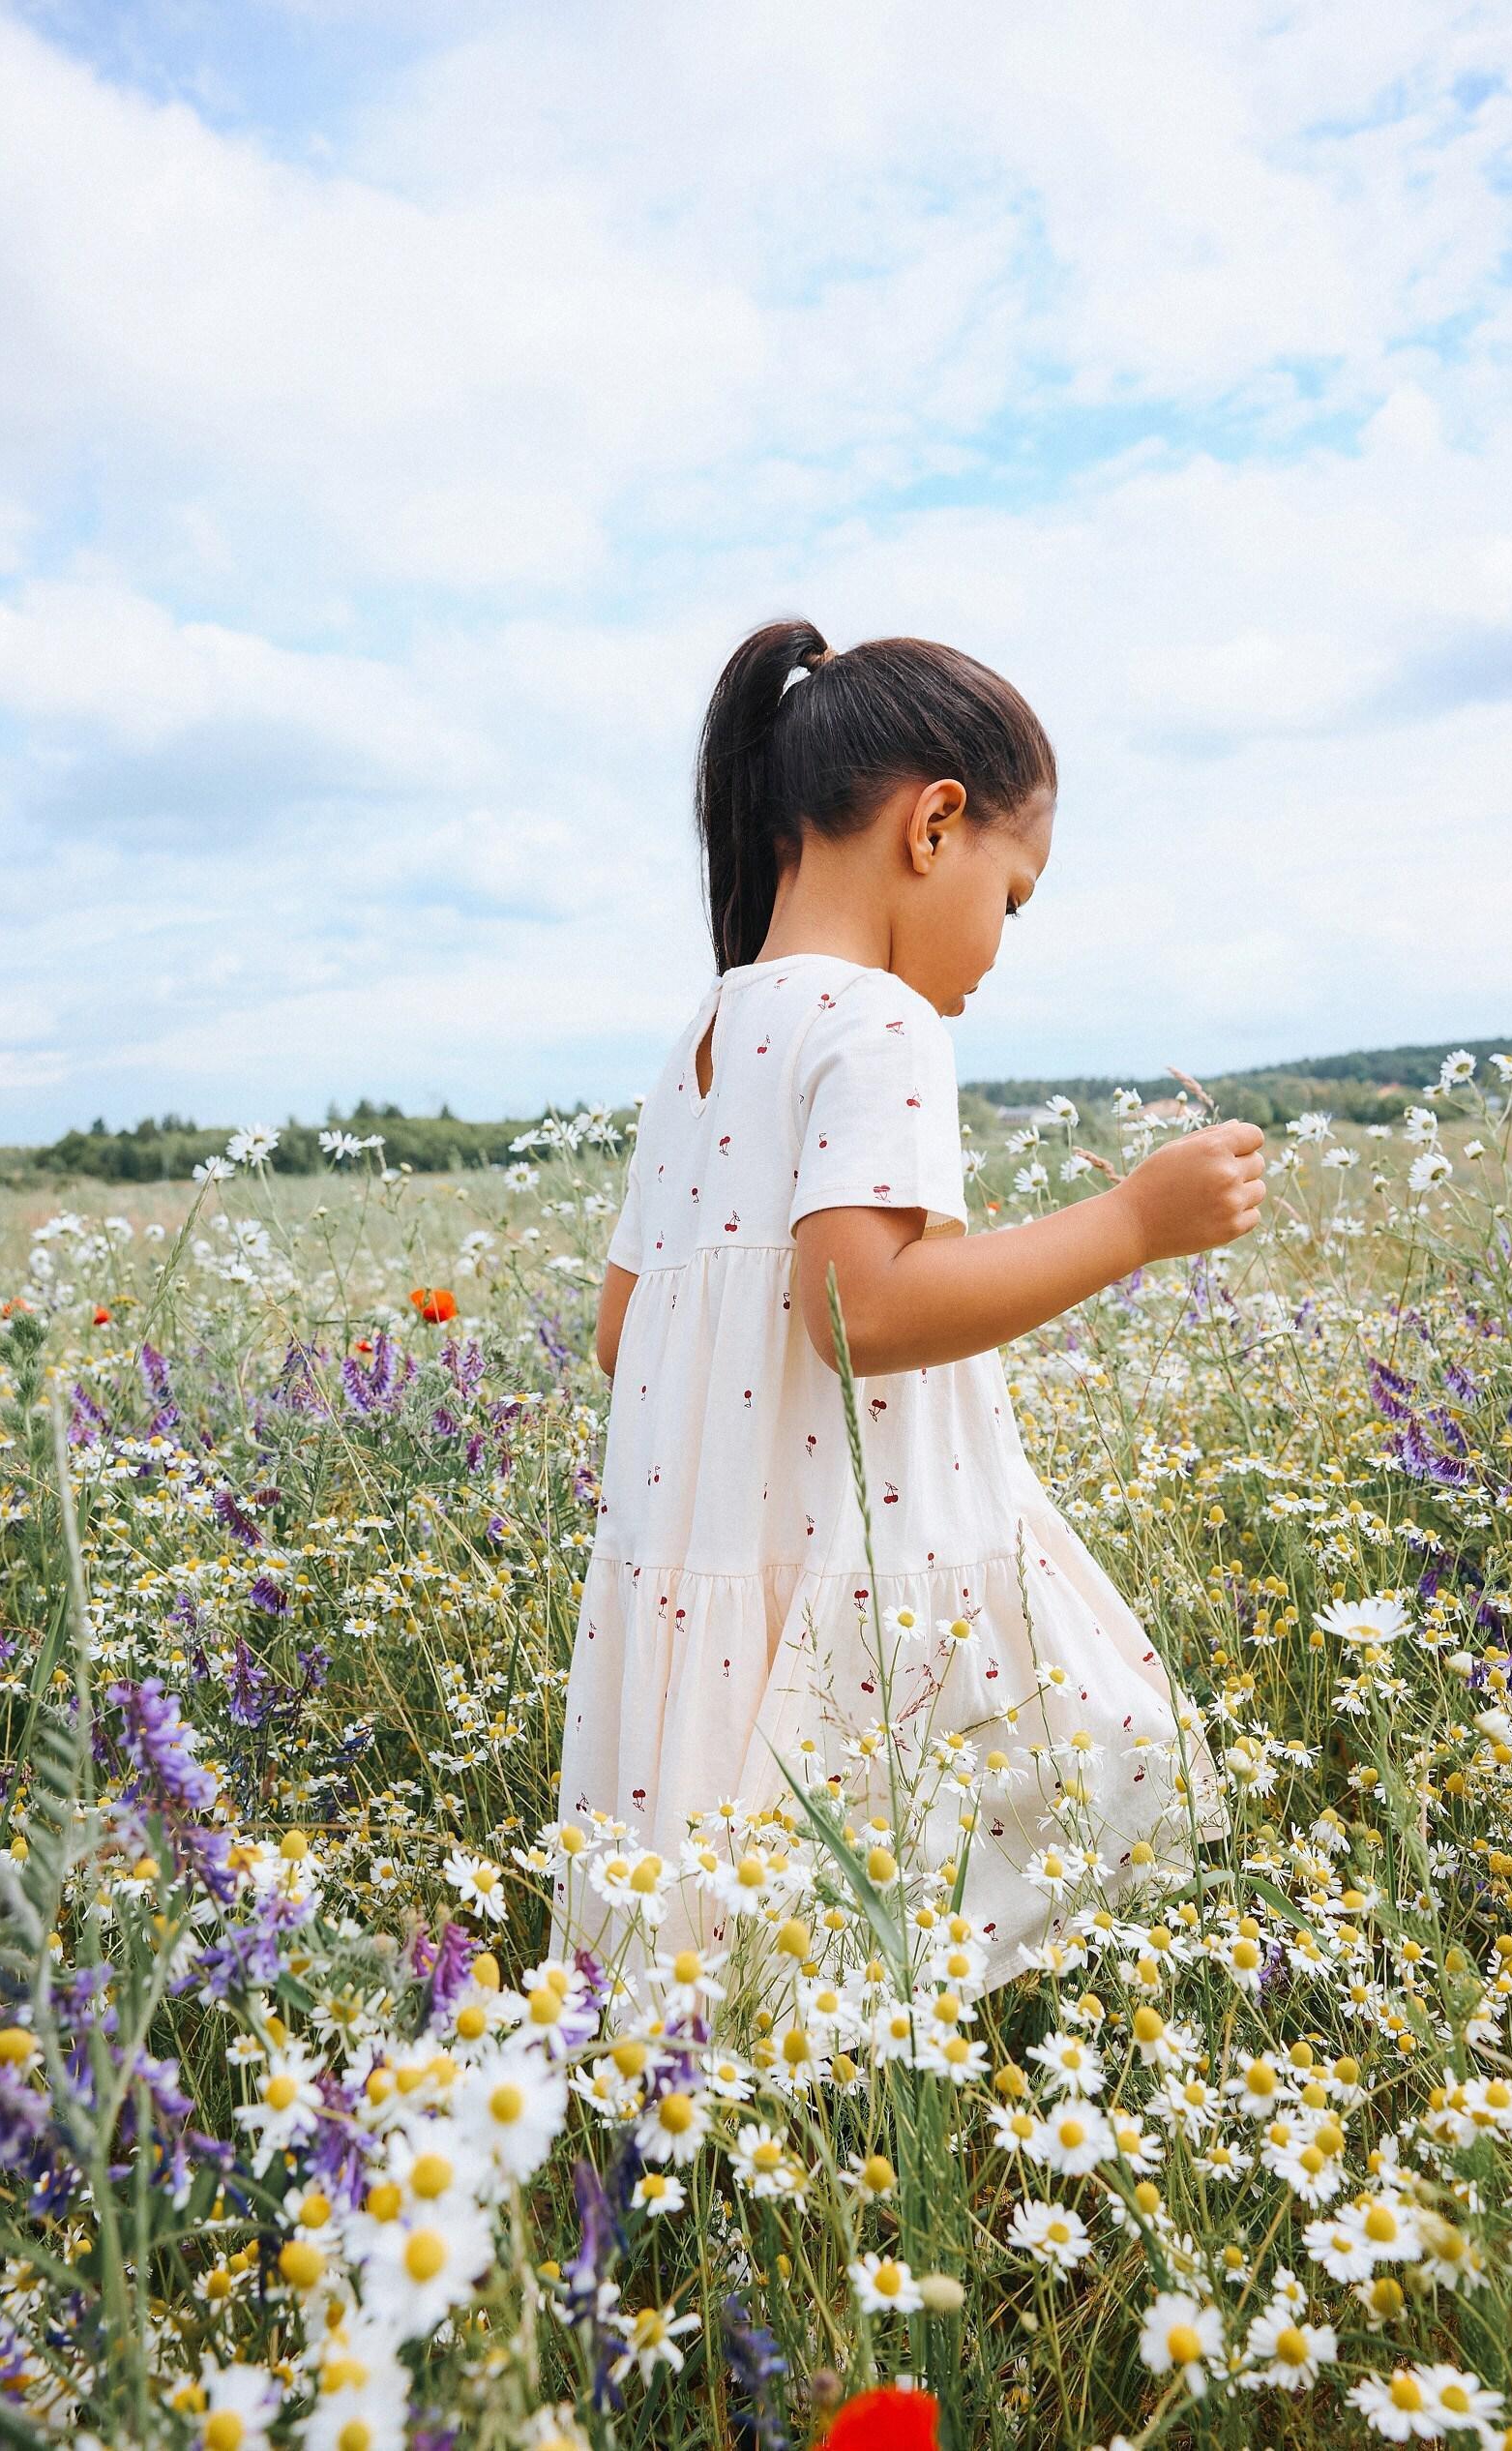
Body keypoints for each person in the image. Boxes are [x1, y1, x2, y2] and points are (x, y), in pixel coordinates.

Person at [548, 617, 1261, 1996]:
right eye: (1015, 894)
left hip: (711, 1561)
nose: (1001, 944)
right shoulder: (879, 1023)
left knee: (741, 1925)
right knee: (1080, 1772)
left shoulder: (704, 1039)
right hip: (866, 1540)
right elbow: (857, 1308)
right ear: (936, 824)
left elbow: (622, 1333)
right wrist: (1132, 1222)